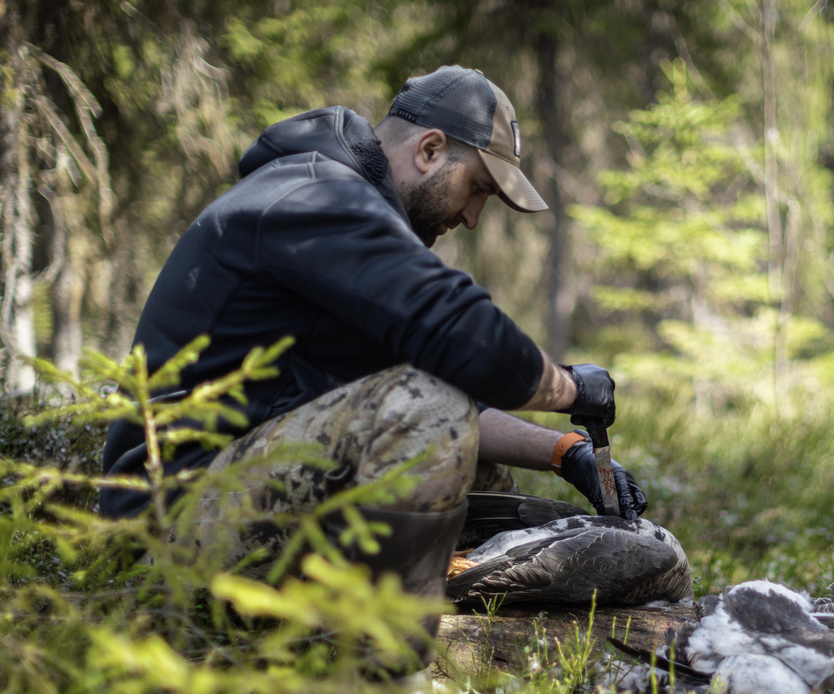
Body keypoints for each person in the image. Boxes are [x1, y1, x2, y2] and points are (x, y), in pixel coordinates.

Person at [99, 65, 647, 625]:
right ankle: (384, 676)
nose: (473, 217)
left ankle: (437, 598)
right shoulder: (313, 196)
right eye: (477, 188)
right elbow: (458, 333)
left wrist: (564, 452)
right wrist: (571, 386)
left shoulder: (342, 219)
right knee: (432, 412)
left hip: (245, 485)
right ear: (430, 150)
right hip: (168, 526)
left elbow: (439, 383)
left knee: (459, 441)